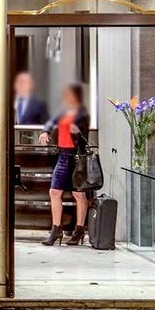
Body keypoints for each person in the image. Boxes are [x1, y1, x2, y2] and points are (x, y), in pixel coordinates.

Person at [38, 83, 91, 246]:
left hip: (76, 158)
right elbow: (50, 122)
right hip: (63, 156)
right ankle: (56, 230)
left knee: (79, 195)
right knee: (54, 192)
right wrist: (45, 131)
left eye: (68, 94)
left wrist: (77, 131)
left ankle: (79, 231)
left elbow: (84, 137)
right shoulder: (63, 111)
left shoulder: (82, 113)